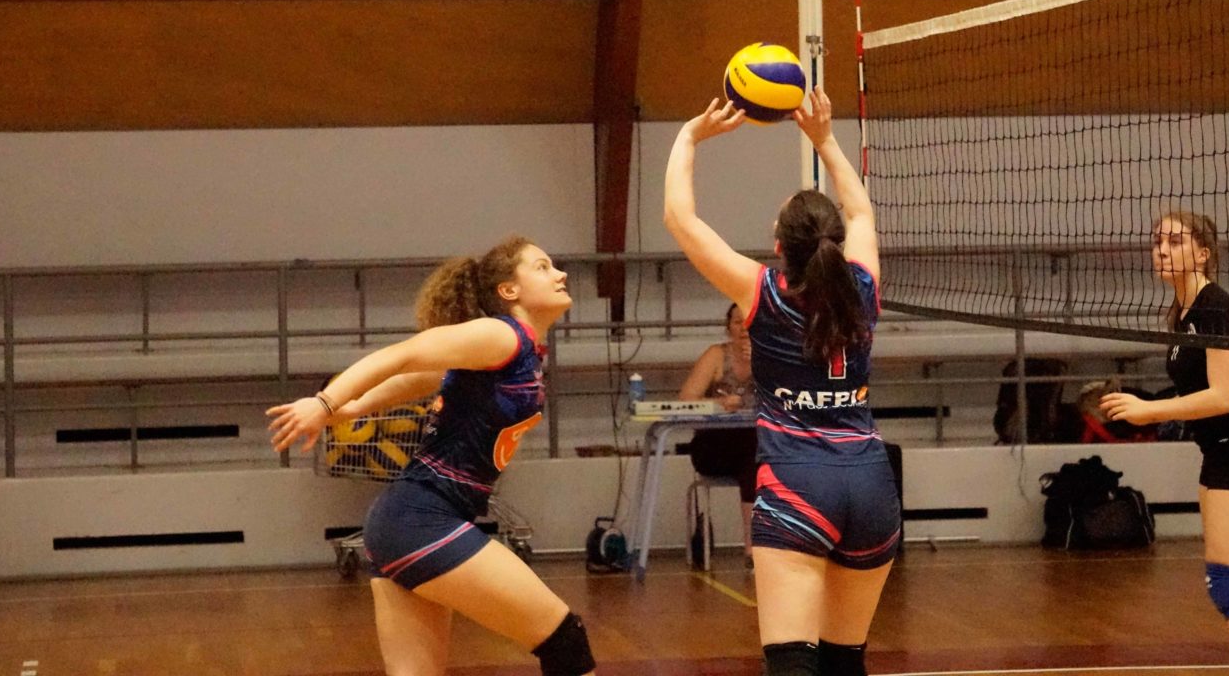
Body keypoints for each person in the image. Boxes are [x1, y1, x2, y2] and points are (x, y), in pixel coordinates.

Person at [268, 236, 597, 676]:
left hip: (405, 522)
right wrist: (326, 402)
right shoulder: (502, 334)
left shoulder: (517, 350)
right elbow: (404, 355)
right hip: (424, 520)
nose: (560, 274)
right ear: (508, 290)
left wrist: (353, 407)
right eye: (542, 267)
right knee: (565, 640)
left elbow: (421, 377)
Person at [664, 87, 898, 676]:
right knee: (845, 663)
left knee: (793, 663)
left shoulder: (761, 292)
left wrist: (689, 137)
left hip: (798, 481)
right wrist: (825, 139)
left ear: (778, 248)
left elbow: (679, 219)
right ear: (835, 242)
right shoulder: (864, 288)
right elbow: (862, 213)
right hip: (871, 482)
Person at [1101, 212, 1229, 676]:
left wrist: (1149, 411)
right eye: (1157, 241)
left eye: (1175, 242)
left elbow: (1224, 396)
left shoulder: (1214, 308)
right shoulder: (1183, 311)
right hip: (1221, 449)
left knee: (1227, 581)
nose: (1162, 250)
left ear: (1203, 254)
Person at [678, 302, 759, 561]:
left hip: (757, 447)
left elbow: (787, 399)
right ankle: (752, 546)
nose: (743, 329)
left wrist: (762, 362)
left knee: (758, 454)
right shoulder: (716, 355)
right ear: (728, 328)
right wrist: (718, 403)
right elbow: (685, 400)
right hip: (714, 446)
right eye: (737, 322)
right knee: (754, 452)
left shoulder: (772, 357)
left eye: (749, 321)